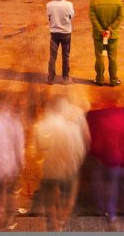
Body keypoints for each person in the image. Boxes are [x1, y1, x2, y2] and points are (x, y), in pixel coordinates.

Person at [33, 96, 89, 230]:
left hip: (50, 170)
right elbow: (81, 149)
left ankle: (55, 224)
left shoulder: (42, 125)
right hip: (69, 170)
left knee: (50, 196)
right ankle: (63, 220)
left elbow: (38, 151)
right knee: (69, 196)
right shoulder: (72, 128)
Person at [86, 99, 124, 224]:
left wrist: (97, 156)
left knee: (111, 190)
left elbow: (97, 145)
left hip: (110, 163)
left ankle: (110, 216)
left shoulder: (103, 120)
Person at [89, 0, 124, 86]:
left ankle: (99, 79)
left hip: (99, 36)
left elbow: (93, 18)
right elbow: (120, 17)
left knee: (100, 56)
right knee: (112, 58)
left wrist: (102, 31)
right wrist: (110, 30)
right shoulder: (118, 1)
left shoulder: (94, 1)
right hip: (113, 35)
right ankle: (113, 80)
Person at [46, 0, 75, 84]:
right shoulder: (68, 5)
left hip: (54, 33)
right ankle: (65, 78)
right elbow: (71, 17)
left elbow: (49, 18)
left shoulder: (49, 5)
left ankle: (50, 78)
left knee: (52, 56)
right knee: (65, 56)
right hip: (66, 33)